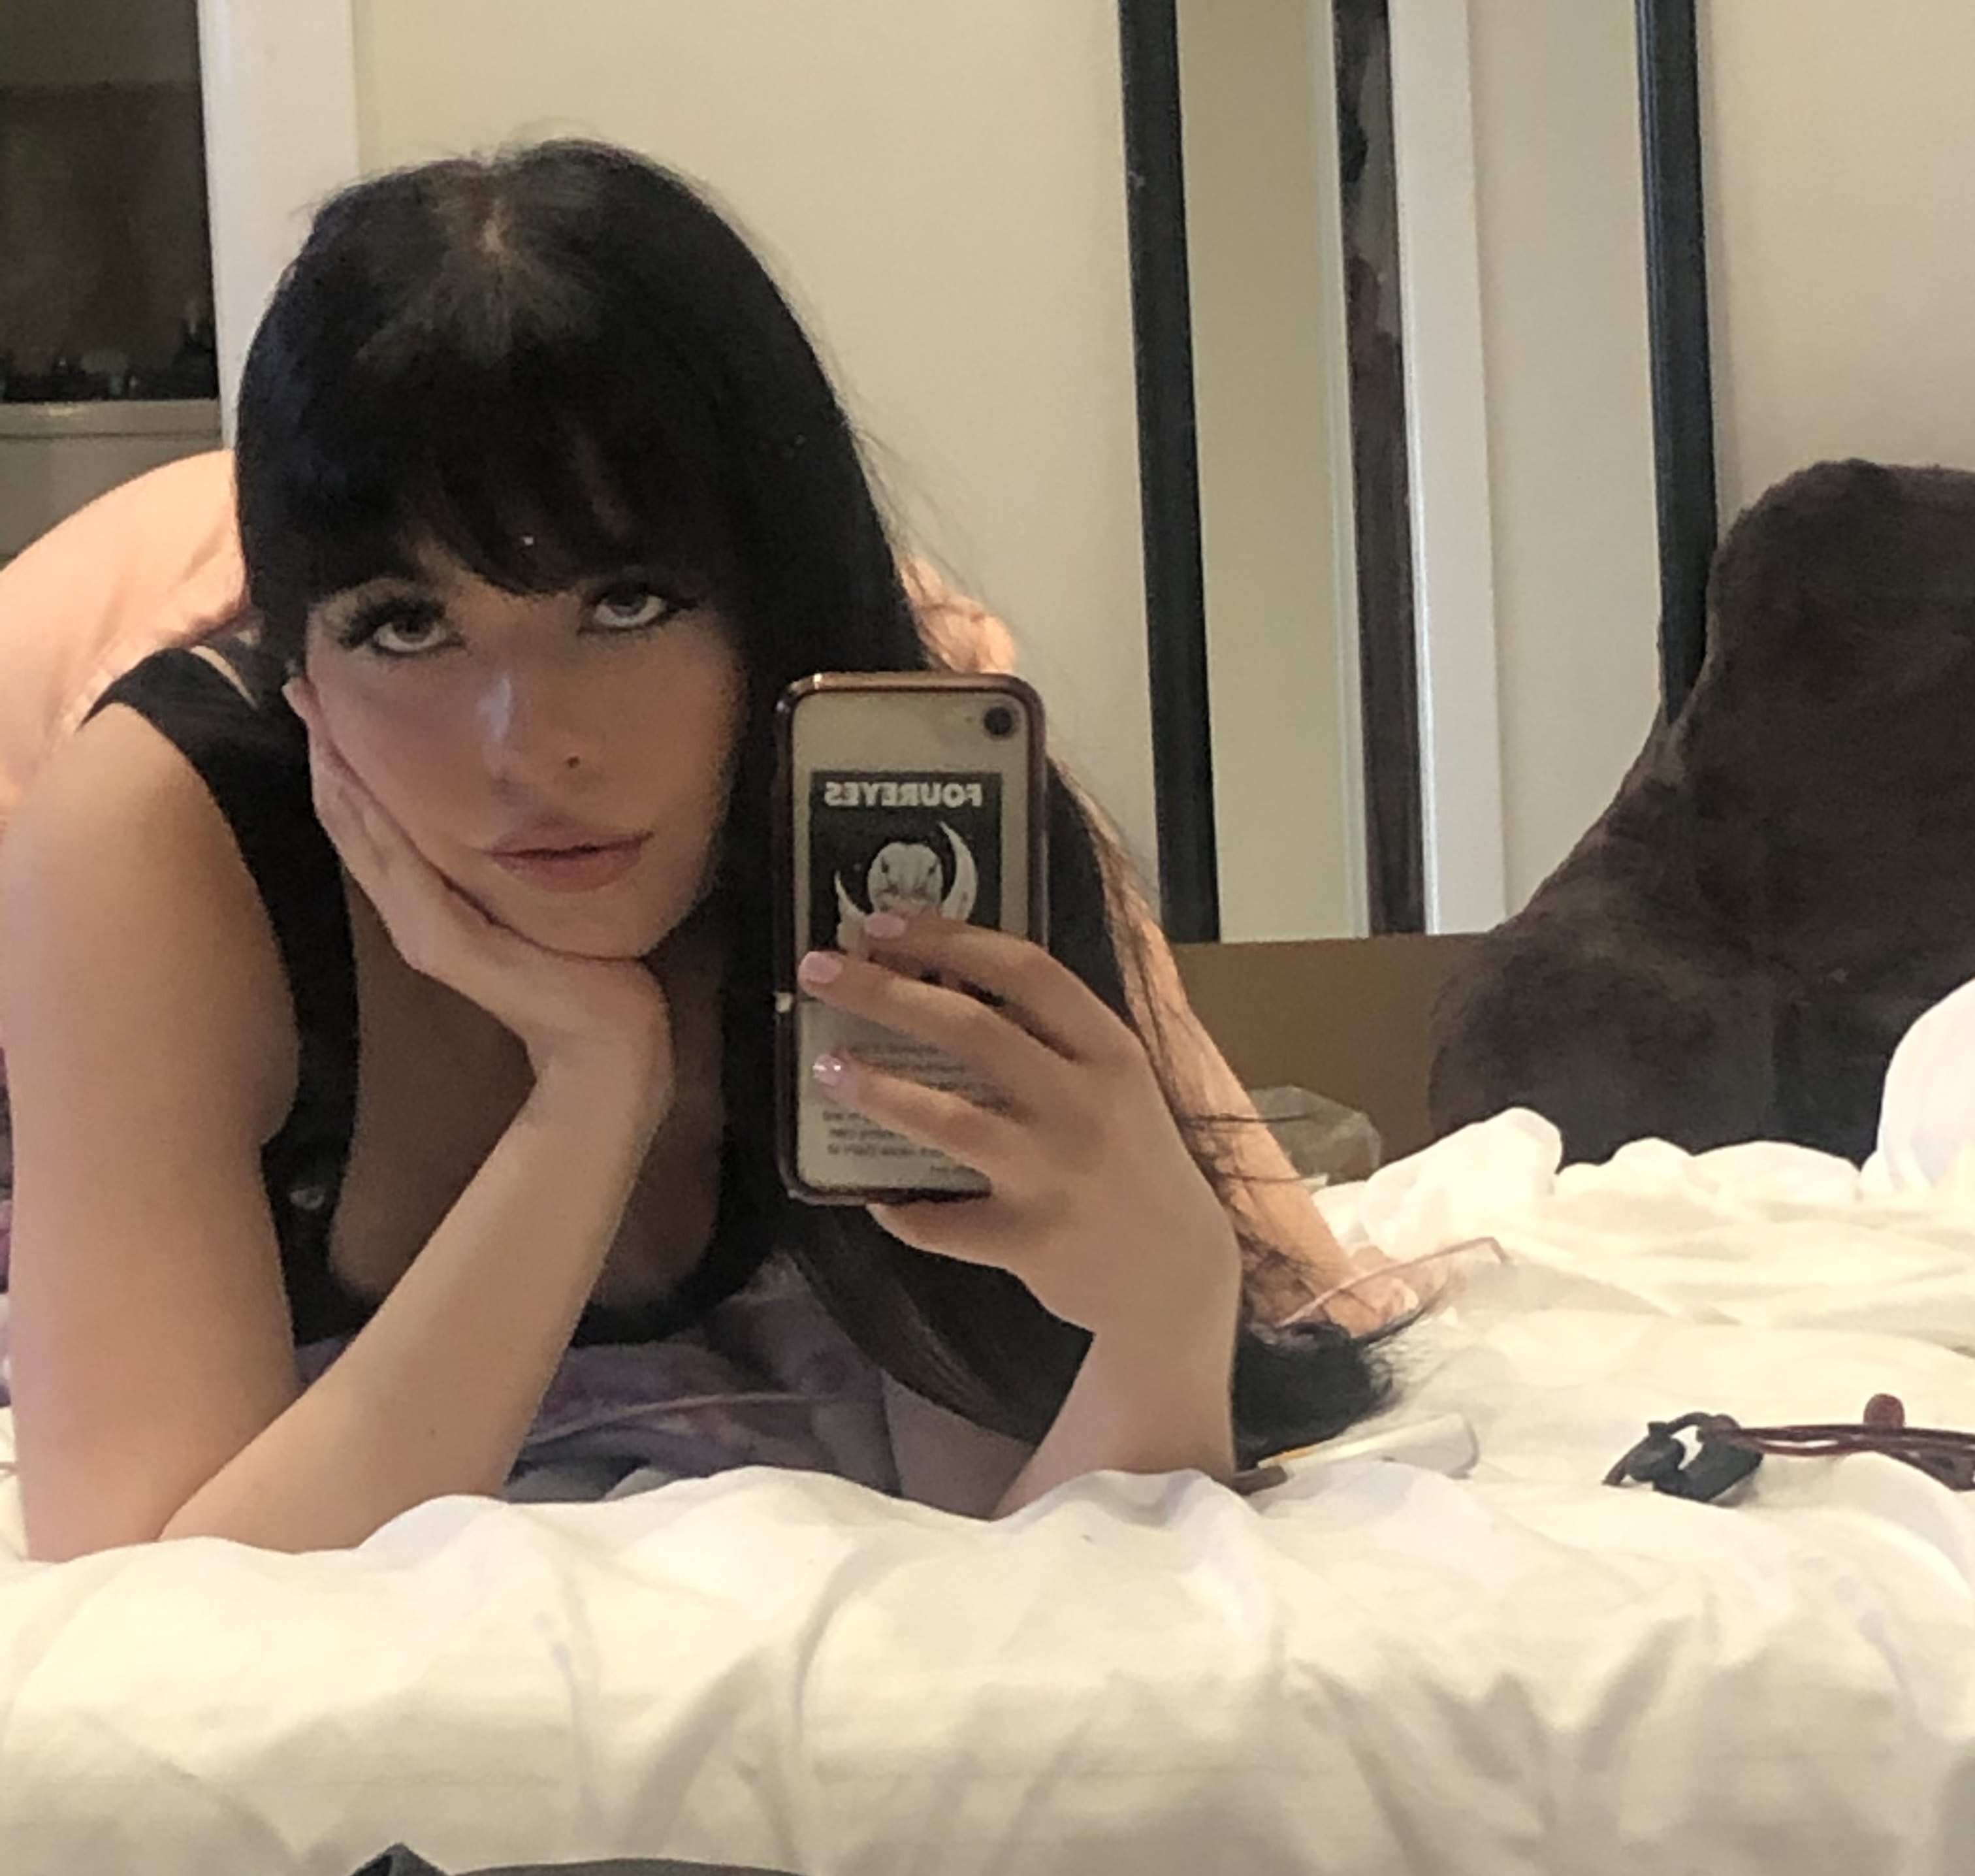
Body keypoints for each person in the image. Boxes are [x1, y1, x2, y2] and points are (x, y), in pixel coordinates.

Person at [0, 140, 1394, 1562]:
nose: (530, 748)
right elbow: (147, 1591)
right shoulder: (158, 841)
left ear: (769, 608)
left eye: (627, 605)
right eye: (407, 627)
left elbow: (1015, 1568)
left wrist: (1164, 1321)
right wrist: (591, 1092)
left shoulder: (884, 818)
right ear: (300, 662)